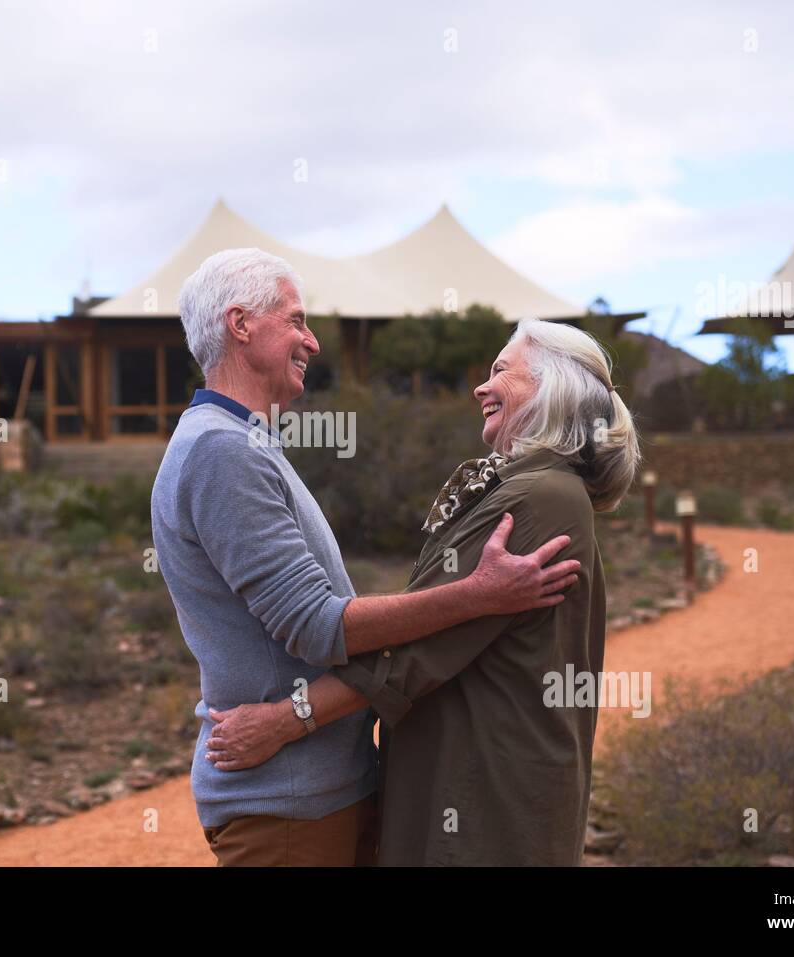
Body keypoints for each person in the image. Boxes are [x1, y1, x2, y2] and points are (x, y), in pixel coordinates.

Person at [150, 248, 582, 866]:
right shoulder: (224, 452)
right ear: (240, 324)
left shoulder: (244, 443)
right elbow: (317, 627)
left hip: (312, 794)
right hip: (290, 804)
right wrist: (478, 594)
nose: (313, 341)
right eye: (297, 320)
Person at [205, 317, 640, 865]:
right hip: (487, 786)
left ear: (552, 388)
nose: (481, 387)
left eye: (501, 370)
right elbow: (440, 626)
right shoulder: (538, 488)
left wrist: (290, 718)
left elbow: (420, 650)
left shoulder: (538, 495)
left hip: (481, 800)